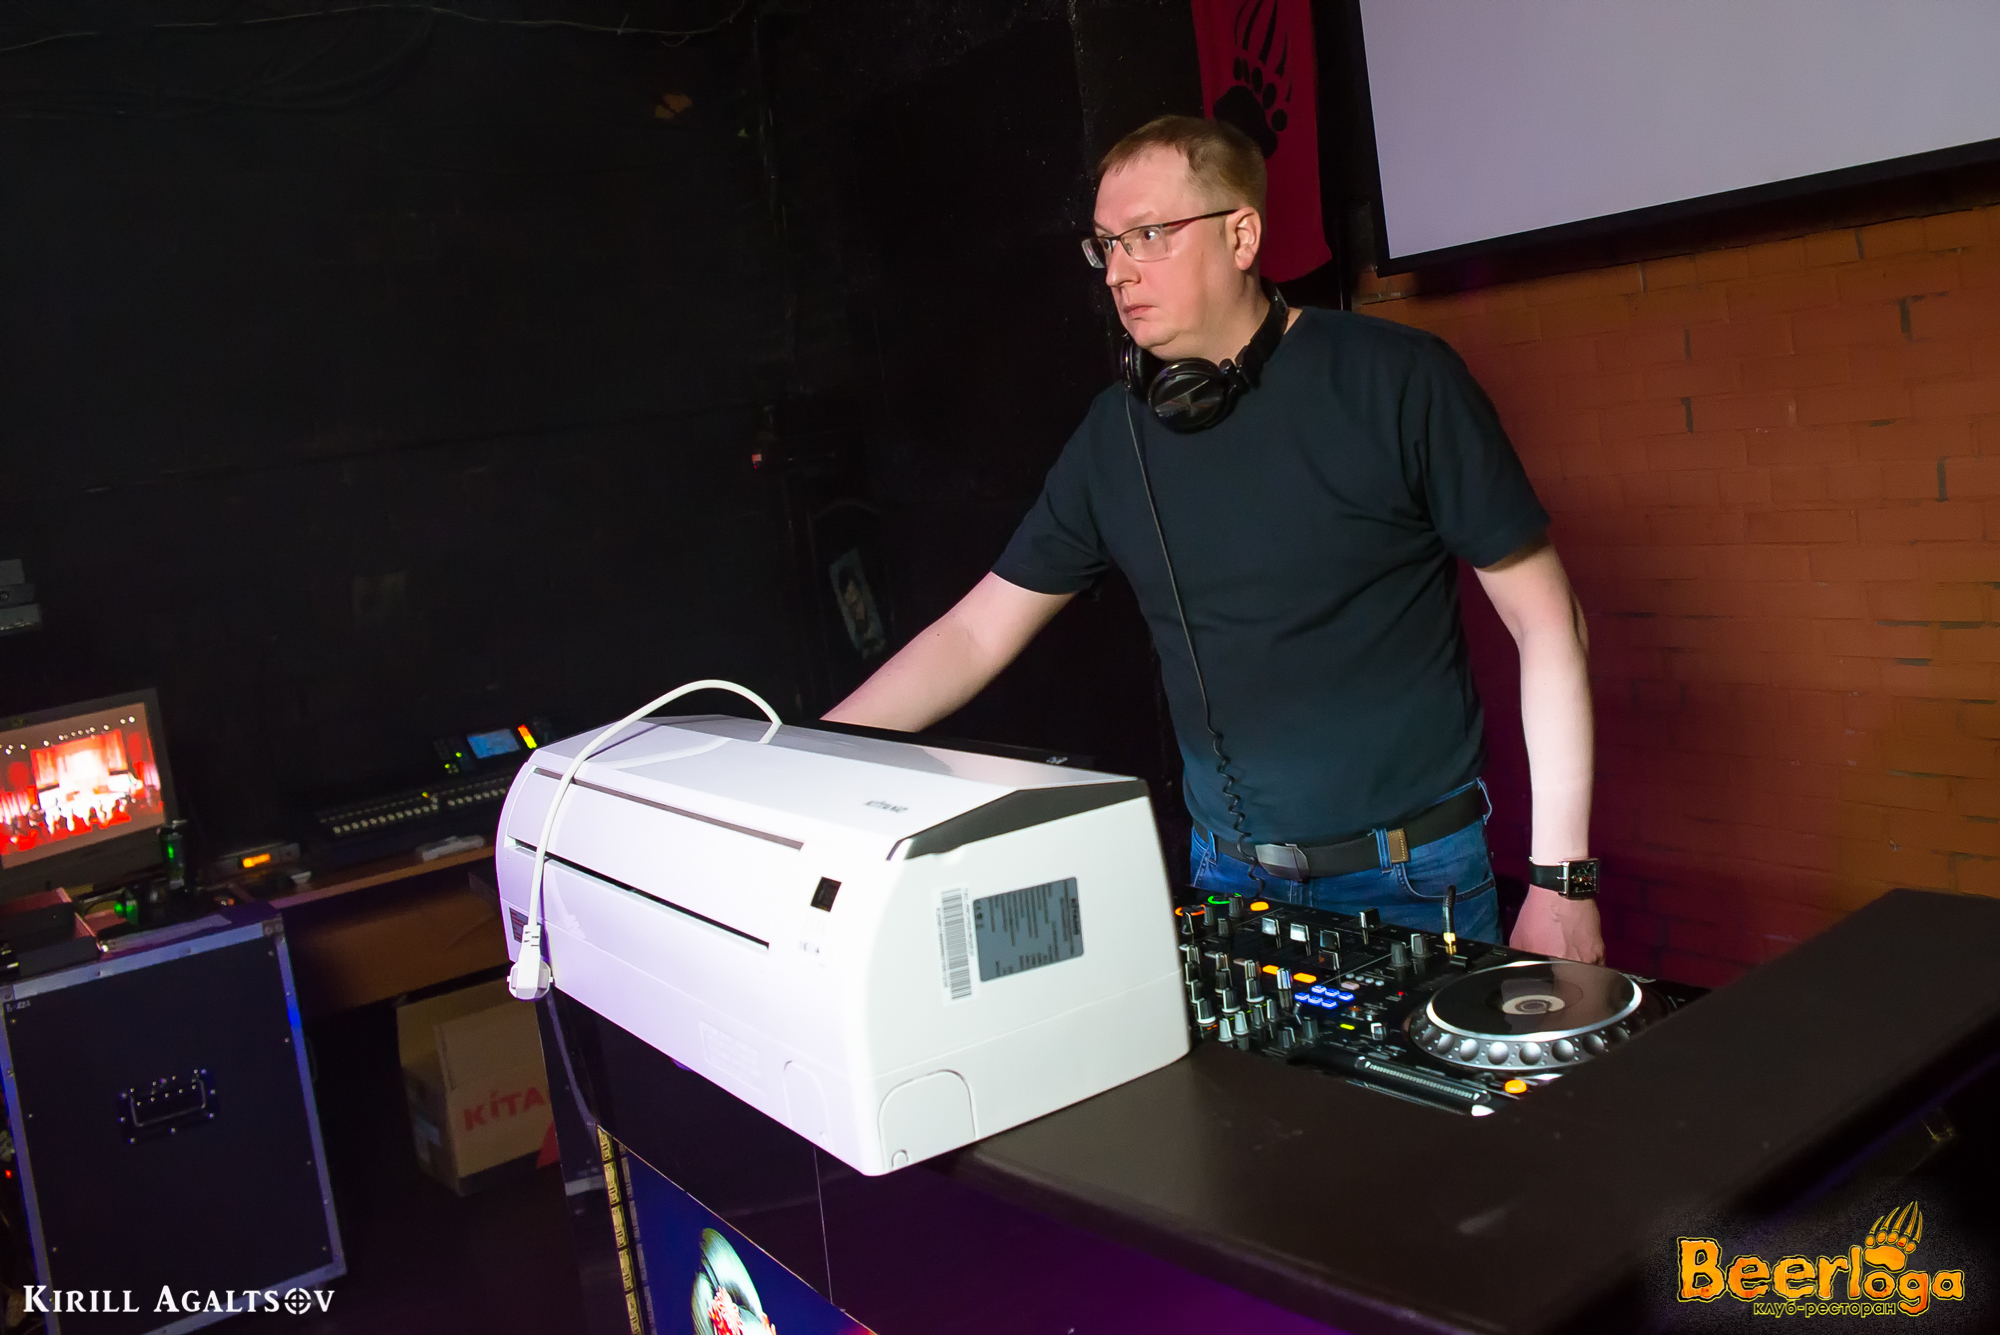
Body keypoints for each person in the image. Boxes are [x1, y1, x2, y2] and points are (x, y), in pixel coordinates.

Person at [825, 115, 1602, 963]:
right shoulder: (1112, 438)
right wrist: (804, 750)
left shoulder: (1401, 380)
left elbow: (1546, 620)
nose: (1118, 271)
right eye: (1105, 245)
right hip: (1227, 882)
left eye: (1148, 235)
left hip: (1415, 882)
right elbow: (976, 633)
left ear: (1242, 237)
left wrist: (1562, 881)